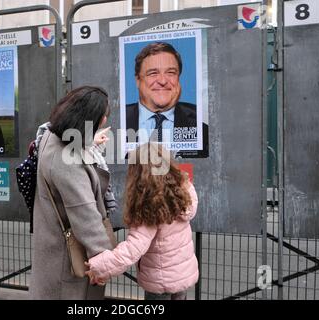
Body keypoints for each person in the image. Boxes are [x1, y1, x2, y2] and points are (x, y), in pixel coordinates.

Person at [29, 86, 116, 300]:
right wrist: (103, 261)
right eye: (102, 116)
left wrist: (91, 142)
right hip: (67, 264)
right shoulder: (69, 161)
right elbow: (85, 215)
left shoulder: (49, 135)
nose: (104, 120)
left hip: (51, 250)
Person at [85, 142, 199, 300]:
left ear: (138, 174)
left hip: (160, 281)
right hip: (183, 273)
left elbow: (131, 250)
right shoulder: (183, 192)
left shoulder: (150, 210)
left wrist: (98, 267)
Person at [125, 42, 208, 156]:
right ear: (138, 80)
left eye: (171, 73)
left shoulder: (200, 125)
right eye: (153, 73)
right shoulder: (118, 120)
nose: (163, 81)